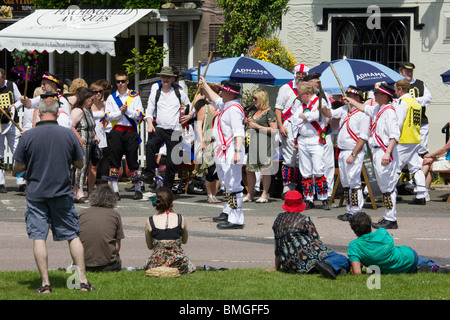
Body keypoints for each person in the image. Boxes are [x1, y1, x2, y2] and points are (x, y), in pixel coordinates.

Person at [13, 97, 95, 294]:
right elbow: (80, 164)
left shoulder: (28, 136)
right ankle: (82, 281)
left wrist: (28, 165)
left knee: (39, 237)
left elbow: (18, 167)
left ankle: (46, 284)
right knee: (73, 235)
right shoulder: (68, 134)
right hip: (62, 192)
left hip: (36, 194)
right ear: (58, 113)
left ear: (39, 113)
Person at [344, 83, 400, 229]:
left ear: (384, 96)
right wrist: (351, 100)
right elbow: (363, 108)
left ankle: (391, 218)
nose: (374, 96)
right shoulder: (377, 109)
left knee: (388, 185)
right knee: (383, 185)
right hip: (376, 150)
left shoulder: (390, 112)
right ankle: (388, 216)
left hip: (384, 149)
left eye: (376, 94)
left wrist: (388, 152)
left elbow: (394, 135)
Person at [270, 190, 350, 279]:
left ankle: (333, 267)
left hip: (289, 266)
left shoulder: (278, 220)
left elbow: (278, 246)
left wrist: (276, 267)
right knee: (341, 258)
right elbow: (317, 241)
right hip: (307, 259)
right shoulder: (305, 220)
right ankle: (331, 266)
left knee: (330, 259)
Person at [199, 77, 246, 229]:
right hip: (223, 151)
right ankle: (228, 211)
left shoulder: (233, 110)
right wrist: (204, 85)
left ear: (230, 94)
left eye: (224, 91)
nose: (221, 93)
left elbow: (239, 133)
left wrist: (238, 152)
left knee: (233, 184)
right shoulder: (226, 105)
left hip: (232, 150)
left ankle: (236, 217)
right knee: (226, 183)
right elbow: (215, 99)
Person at [321, 86, 371, 221]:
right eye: (346, 95)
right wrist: (321, 104)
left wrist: (353, 154)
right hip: (342, 151)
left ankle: (356, 211)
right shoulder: (344, 110)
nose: (345, 97)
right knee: (346, 182)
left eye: (349, 95)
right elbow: (329, 114)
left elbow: (363, 138)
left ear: (357, 98)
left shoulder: (363, 114)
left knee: (354, 181)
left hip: (353, 152)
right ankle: (350, 209)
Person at [141, 66, 192, 191]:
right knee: (150, 145)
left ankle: (168, 188)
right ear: (160, 78)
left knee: (171, 161)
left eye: (168, 77)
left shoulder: (179, 93)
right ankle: (149, 174)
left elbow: (191, 107)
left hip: (175, 130)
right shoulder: (156, 93)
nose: (166, 79)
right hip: (159, 128)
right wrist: (149, 123)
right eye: (163, 77)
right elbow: (148, 111)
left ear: (172, 78)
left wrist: (188, 116)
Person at [348, 212, 448, 274]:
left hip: (385, 269)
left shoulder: (354, 246)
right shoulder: (381, 232)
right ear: (369, 224)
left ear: (354, 230)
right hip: (407, 259)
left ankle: (419, 269)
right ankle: (433, 267)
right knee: (414, 257)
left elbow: (357, 273)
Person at [104, 72, 144, 201]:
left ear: (127, 82)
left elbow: (139, 115)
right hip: (116, 131)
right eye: (117, 82)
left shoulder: (135, 96)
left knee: (133, 161)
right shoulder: (111, 98)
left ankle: (138, 189)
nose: (120, 84)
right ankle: (115, 191)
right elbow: (108, 116)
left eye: (122, 81)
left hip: (131, 132)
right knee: (114, 161)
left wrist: (127, 111)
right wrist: (119, 112)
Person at [291, 82, 330, 210]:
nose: (299, 97)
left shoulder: (320, 101)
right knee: (305, 171)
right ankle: (308, 198)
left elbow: (318, 116)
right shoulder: (300, 105)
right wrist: (305, 117)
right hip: (303, 140)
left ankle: (323, 197)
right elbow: (294, 118)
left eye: (300, 95)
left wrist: (305, 116)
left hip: (316, 139)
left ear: (307, 94)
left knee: (319, 169)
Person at [274, 63, 309, 197]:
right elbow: (278, 108)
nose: (300, 76)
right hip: (288, 126)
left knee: (302, 158)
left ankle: (300, 186)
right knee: (289, 158)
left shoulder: (309, 90)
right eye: (298, 74)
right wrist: (281, 125)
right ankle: (288, 187)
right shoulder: (286, 88)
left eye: (303, 74)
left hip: (304, 126)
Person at [144, 188, 196, 274]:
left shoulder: (150, 220)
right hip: (178, 263)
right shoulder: (180, 218)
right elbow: (184, 241)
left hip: (157, 264)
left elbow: (150, 246)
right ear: (172, 203)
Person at [393, 79, 428, 205]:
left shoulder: (402, 102)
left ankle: (387, 193)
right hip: (415, 138)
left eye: (396, 89)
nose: (395, 92)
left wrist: (392, 138)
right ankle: (421, 194)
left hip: (404, 139)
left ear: (400, 90)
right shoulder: (415, 102)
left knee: (394, 167)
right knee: (416, 167)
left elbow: (398, 122)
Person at [79, 185, 125, 272]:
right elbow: (117, 247)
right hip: (108, 265)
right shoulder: (115, 215)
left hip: (83, 263)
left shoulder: (82, 214)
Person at [244, 89, 277, 203]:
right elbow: (249, 127)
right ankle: (250, 193)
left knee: (265, 169)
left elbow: (274, 130)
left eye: (255, 98)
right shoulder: (253, 112)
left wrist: (257, 126)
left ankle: (264, 194)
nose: (253, 100)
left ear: (262, 98)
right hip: (253, 142)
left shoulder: (269, 112)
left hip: (264, 143)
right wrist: (249, 125)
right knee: (249, 169)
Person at [398, 62, 432, 156]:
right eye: (407, 71)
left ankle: (422, 166)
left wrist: (412, 101)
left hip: (420, 120)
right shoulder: (397, 84)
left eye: (411, 71)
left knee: (422, 147)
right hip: (405, 122)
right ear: (401, 72)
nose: (409, 73)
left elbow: (428, 98)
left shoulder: (419, 83)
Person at [0, 67, 25, 193]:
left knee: (16, 151)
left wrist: (14, 105)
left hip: (12, 123)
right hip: (0, 125)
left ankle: (21, 181)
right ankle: (1, 182)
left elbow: (20, 100)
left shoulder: (11, 85)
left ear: (3, 78)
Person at [71, 88, 97, 203]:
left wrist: (95, 136)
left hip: (89, 143)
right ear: (85, 99)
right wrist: (80, 138)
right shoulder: (78, 111)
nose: (93, 101)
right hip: (81, 143)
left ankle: (77, 191)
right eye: (91, 99)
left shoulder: (88, 110)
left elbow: (91, 126)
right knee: (80, 168)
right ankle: (78, 192)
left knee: (84, 167)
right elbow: (71, 126)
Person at [193, 97, 221, 203]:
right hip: (208, 142)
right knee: (210, 169)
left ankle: (214, 194)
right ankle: (209, 195)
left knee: (218, 171)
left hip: (220, 143)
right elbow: (198, 127)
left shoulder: (221, 108)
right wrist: (202, 141)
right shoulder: (204, 109)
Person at [87, 82, 109, 193]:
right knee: (89, 165)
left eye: (100, 91)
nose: (98, 94)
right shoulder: (89, 105)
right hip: (91, 134)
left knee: (97, 164)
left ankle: (94, 189)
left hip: (101, 134)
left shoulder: (104, 104)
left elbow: (108, 118)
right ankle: (88, 189)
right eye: (96, 92)